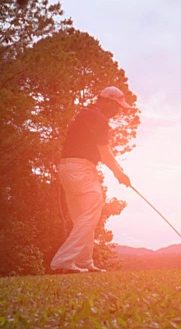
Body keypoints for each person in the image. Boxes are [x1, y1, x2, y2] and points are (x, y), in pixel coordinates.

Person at [50, 86, 132, 274]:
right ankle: (63, 261)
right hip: (81, 169)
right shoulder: (98, 118)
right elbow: (106, 154)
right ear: (106, 102)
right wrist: (120, 174)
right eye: (117, 106)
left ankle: (84, 261)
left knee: (82, 217)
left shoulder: (87, 114)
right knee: (90, 215)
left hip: (68, 168)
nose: (118, 111)